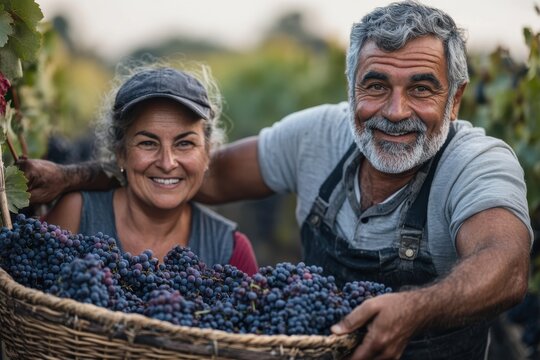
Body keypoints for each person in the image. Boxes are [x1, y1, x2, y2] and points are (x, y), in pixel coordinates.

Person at [17, 2, 533, 359]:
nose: (395, 111)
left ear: (456, 98)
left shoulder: (476, 162)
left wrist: (415, 309)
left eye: (422, 88)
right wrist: (73, 175)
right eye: (376, 85)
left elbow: (505, 266)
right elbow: (197, 172)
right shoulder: (318, 136)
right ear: (352, 89)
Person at [39, 65, 258, 275]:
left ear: (207, 153)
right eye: (148, 143)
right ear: (121, 153)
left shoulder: (230, 250)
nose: (167, 162)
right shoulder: (74, 217)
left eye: (184, 143)